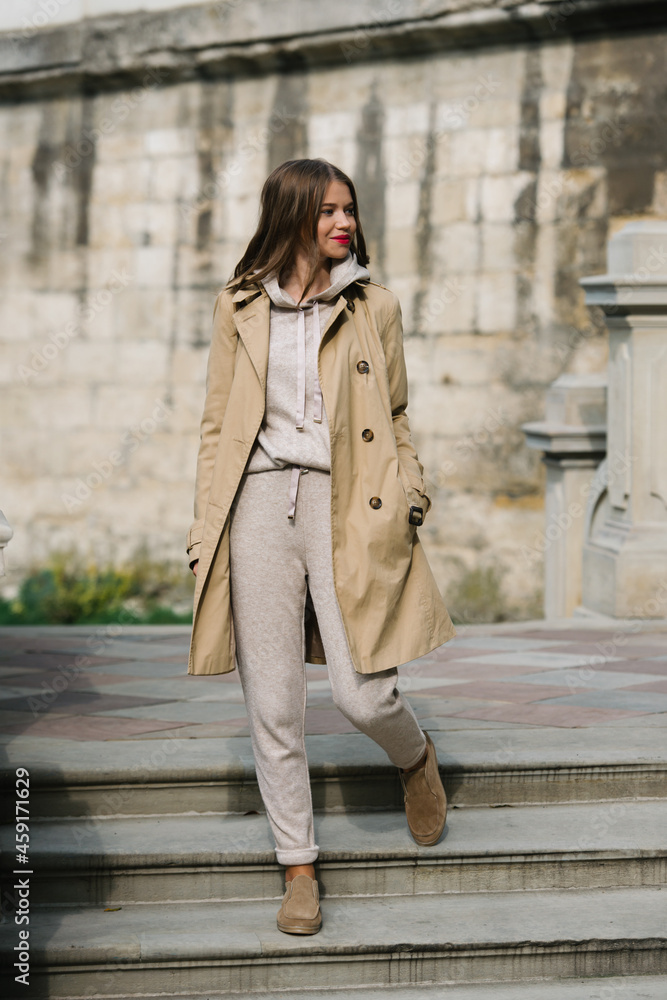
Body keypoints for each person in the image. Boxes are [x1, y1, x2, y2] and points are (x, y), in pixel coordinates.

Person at [186, 158, 456, 935]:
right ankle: (297, 867)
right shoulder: (237, 306)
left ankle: (413, 757)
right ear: (292, 216)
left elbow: (395, 414)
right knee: (273, 703)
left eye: (350, 209)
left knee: (361, 691)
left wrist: (410, 495)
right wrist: (208, 529)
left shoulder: (376, 304)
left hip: (352, 502)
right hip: (260, 502)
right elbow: (216, 430)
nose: (344, 222)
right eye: (328, 210)